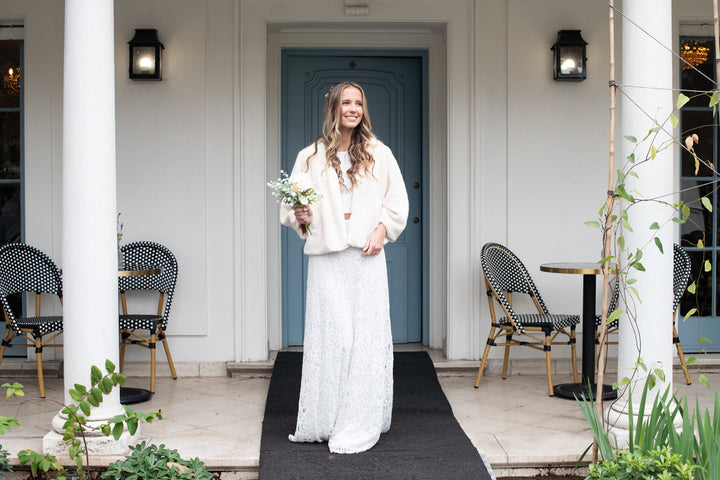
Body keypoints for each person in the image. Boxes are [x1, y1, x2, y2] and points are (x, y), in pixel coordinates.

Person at [280, 81, 409, 454]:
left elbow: (397, 202)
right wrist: (299, 214)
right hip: (328, 260)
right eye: (346, 102)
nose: (352, 108)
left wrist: (382, 230)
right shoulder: (310, 156)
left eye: (358, 103)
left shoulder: (379, 153)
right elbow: (291, 211)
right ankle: (326, 419)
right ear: (334, 108)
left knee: (364, 338)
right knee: (333, 338)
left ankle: (361, 416)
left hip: (366, 258)